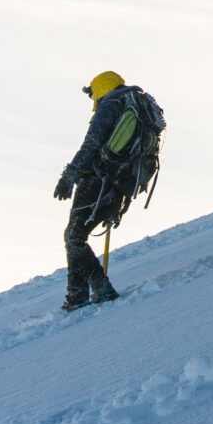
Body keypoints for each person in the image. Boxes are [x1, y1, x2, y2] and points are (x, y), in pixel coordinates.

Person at [52, 69, 164, 310]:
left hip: (99, 180)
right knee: (75, 235)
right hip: (119, 183)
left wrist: (70, 174)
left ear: (101, 89)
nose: (92, 100)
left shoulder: (111, 104)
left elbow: (92, 143)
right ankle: (79, 295)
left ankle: (94, 291)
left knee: (74, 236)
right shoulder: (135, 104)